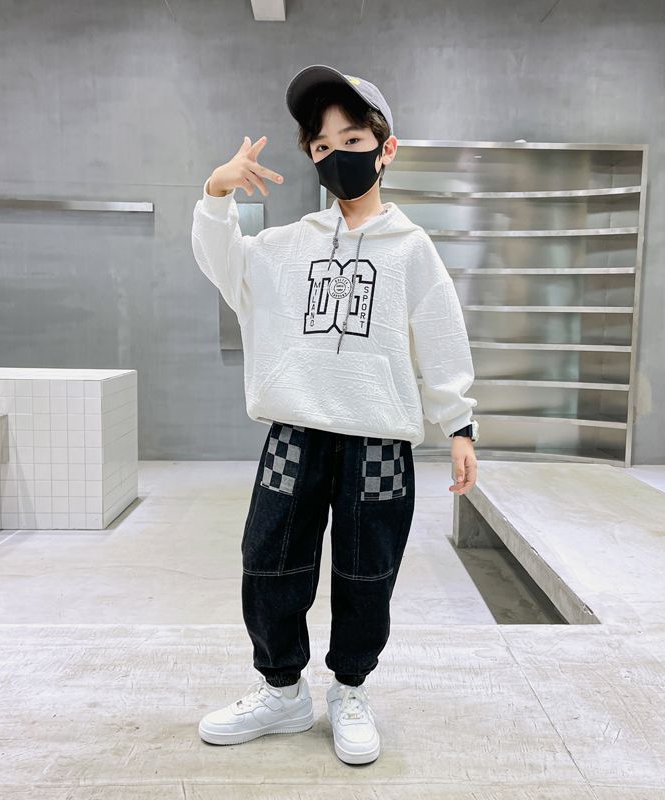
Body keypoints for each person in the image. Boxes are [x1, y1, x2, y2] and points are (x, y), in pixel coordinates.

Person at [190, 65, 478, 766]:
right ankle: (282, 692)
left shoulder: (411, 249)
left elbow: (441, 334)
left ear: (386, 148)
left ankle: (349, 689)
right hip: (295, 433)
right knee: (270, 563)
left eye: (352, 140)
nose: (336, 154)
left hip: (377, 440)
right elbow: (224, 265)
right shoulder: (288, 247)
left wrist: (459, 424)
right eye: (322, 146)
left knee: (366, 574)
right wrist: (216, 194)